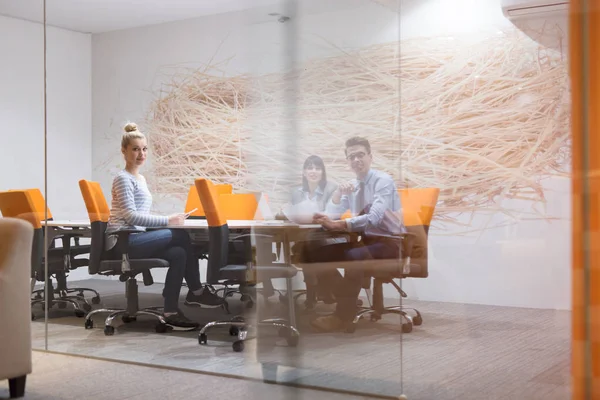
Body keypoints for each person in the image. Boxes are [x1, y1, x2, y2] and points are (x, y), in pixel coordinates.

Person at [105, 122, 225, 331]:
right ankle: (196, 291)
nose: (141, 154)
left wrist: (170, 219)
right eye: (135, 149)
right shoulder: (123, 179)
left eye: (144, 149)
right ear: (124, 151)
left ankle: (170, 310)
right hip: (124, 242)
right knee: (180, 236)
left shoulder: (140, 178)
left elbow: (140, 215)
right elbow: (130, 216)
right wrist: (168, 220)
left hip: (136, 237)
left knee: (178, 252)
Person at [308, 136, 404, 332]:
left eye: (360, 155)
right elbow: (332, 213)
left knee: (354, 256)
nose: (356, 160)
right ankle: (347, 299)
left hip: (390, 242)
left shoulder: (382, 181)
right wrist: (336, 196)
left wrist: (338, 224)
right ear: (347, 161)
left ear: (370, 156)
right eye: (351, 157)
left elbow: (374, 218)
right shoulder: (353, 185)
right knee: (315, 252)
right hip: (364, 240)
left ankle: (342, 315)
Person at [288, 155, 338, 307]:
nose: (313, 171)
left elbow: (334, 214)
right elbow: (294, 214)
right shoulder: (296, 192)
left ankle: (313, 291)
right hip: (302, 237)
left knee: (307, 247)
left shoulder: (331, 189)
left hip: (326, 236)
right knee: (306, 244)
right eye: (310, 168)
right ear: (304, 172)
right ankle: (323, 289)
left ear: (323, 171)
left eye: (318, 168)